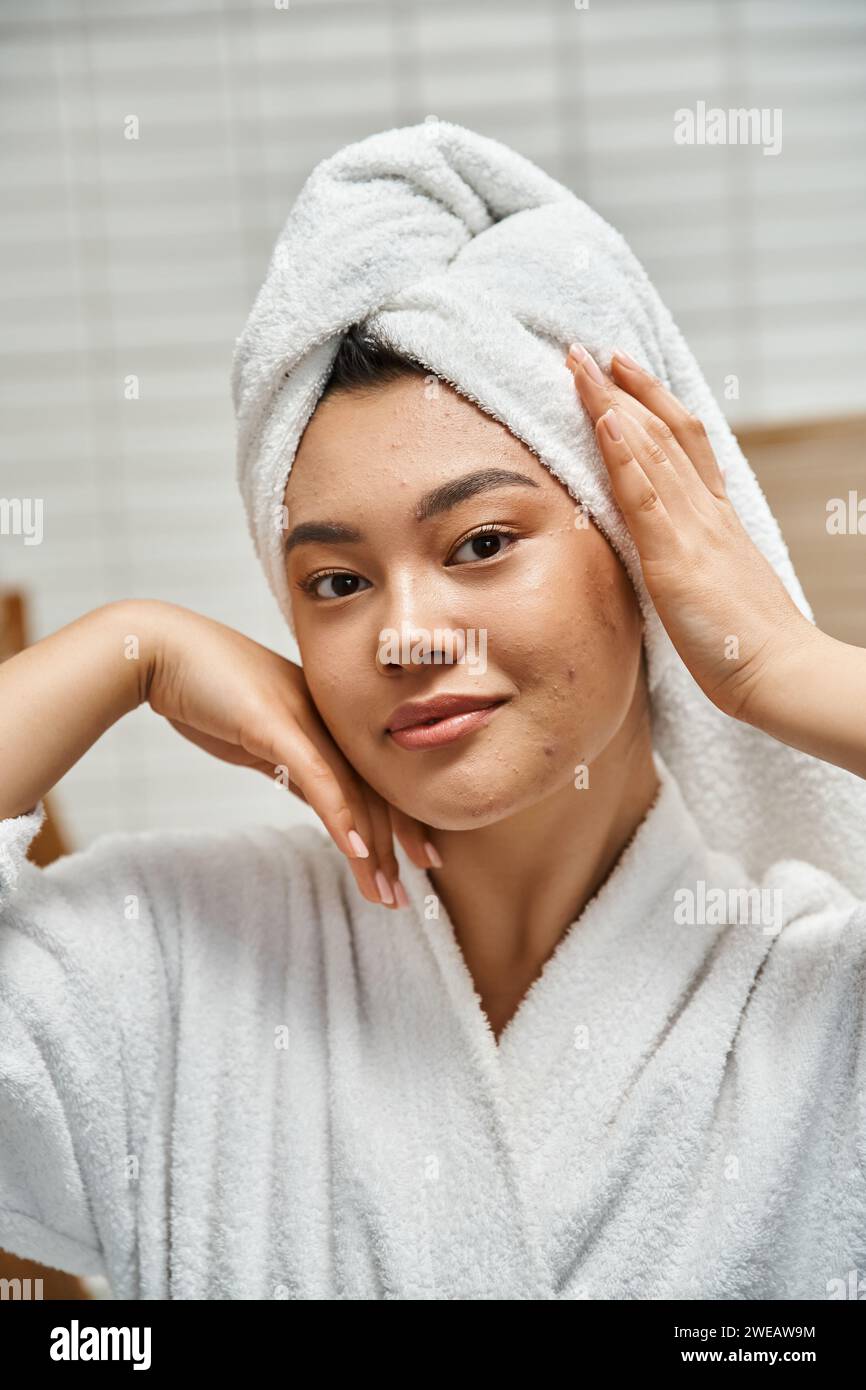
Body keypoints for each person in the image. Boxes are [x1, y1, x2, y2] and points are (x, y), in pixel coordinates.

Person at [1, 123, 865, 1300]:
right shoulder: (170, 959)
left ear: (638, 549)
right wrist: (122, 651)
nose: (405, 635)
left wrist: (781, 666)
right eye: (337, 582)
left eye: (482, 542)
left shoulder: (813, 996)